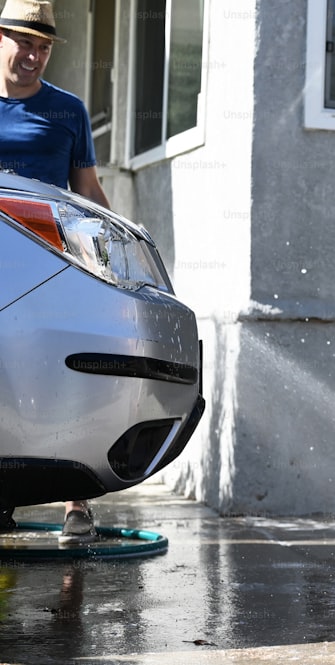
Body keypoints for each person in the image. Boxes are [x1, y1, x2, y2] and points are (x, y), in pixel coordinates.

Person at [0, 0, 111, 544]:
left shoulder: (67, 111)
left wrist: (118, 254)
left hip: (47, 268)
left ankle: (76, 502)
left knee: (58, 374)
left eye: (44, 47)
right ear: (0, 40)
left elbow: (88, 193)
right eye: (25, 43)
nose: (35, 56)